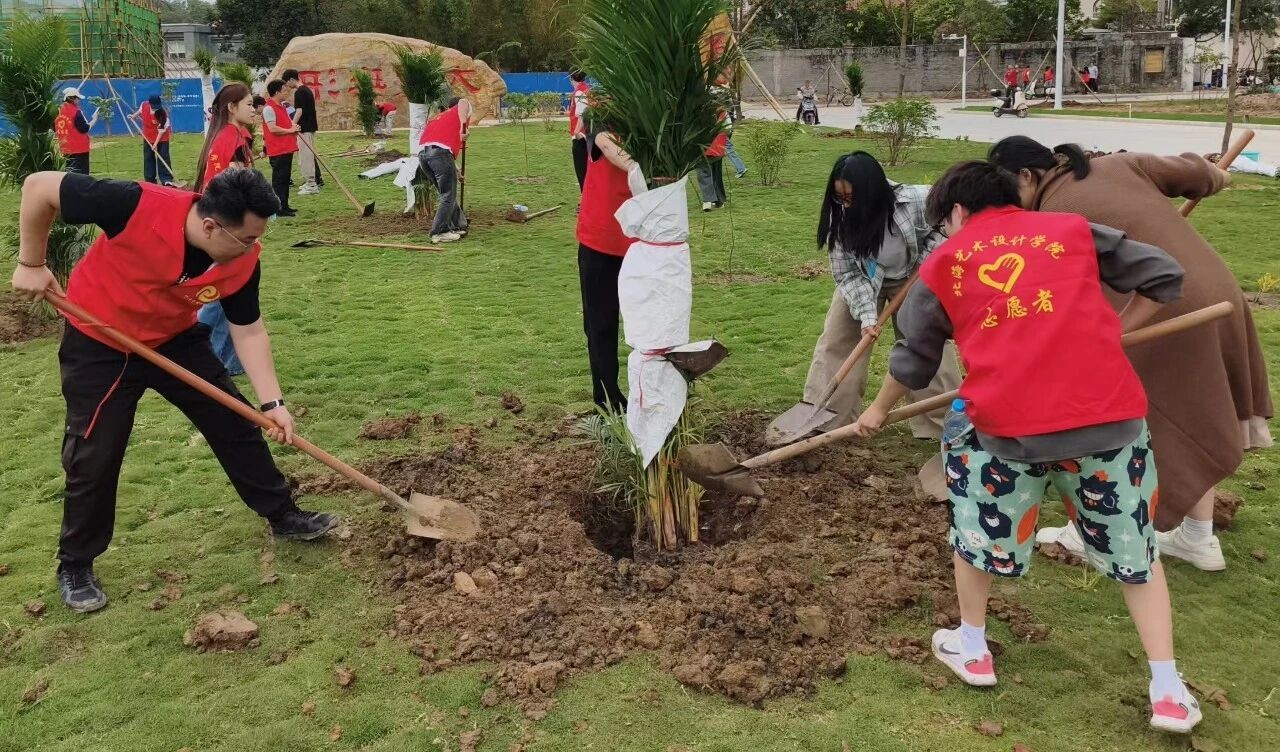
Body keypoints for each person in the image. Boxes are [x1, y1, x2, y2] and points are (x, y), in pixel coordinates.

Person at [852, 160, 1201, 735]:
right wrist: (1117, 330)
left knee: (974, 531)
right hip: (1108, 426)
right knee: (1136, 555)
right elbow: (1163, 275)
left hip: (1005, 433)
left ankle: (972, 648)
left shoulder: (946, 263)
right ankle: (1167, 690)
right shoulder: (1072, 231)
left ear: (957, 211)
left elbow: (915, 358)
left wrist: (877, 409)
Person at [10, 167, 338, 614]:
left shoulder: (242, 260)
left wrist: (273, 403)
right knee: (95, 451)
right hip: (101, 340)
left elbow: (248, 330)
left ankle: (282, 514)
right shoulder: (132, 204)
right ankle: (76, 563)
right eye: (246, 239)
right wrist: (31, 263)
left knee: (235, 421)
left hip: (173, 339)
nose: (252, 247)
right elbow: (39, 187)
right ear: (211, 226)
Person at [987, 136, 1273, 571]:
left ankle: (1090, 532)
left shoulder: (1052, 218)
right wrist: (1217, 177)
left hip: (1164, 307)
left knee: (1120, 418)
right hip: (1215, 294)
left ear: (1026, 175)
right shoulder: (1115, 165)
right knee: (1193, 412)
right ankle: (1197, 538)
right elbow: (1197, 173)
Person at [794, 152, 961, 449]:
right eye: (840, 198)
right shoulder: (839, 216)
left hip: (915, 276)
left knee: (926, 341)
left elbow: (947, 228)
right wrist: (867, 317)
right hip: (863, 280)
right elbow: (847, 273)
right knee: (837, 341)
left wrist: (926, 264)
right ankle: (827, 418)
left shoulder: (917, 200)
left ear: (873, 191)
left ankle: (941, 423)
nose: (846, 205)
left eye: (851, 198)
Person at [193, 83, 259, 376]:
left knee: (234, 289)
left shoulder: (232, 136)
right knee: (221, 293)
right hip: (227, 226)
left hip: (227, 223)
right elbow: (230, 187)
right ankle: (201, 354)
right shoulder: (228, 139)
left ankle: (230, 360)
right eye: (249, 104)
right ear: (232, 108)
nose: (254, 110)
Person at [576, 128, 641, 410]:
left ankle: (650, 398)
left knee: (650, 325)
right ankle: (608, 401)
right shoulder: (601, 125)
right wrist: (638, 166)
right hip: (600, 241)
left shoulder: (658, 125)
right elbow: (604, 142)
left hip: (645, 244)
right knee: (600, 326)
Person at [417, 96, 472, 243]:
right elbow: (464, 101)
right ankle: (439, 232)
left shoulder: (440, 117)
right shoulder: (460, 110)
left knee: (446, 194)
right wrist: (463, 127)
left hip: (424, 155)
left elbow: (439, 145)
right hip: (439, 154)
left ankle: (459, 225)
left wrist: (457, 171)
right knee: (448, 195)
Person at [262, 79, 301, 218]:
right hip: (278, 150)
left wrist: (293, 128)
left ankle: (284, 205)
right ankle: (278, 208)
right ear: (276, 92)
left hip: (286, 148)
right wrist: (290, 130)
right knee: (279, 181)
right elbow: (272, 128)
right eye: (284, 90)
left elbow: (286, 124)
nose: (286, 92)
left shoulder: (282, 107)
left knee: (285, 180)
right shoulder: (269, 109)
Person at [284, 69, 321, 196]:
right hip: (308, 127)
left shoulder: (299, 92)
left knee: (306, 157)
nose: (287, 85)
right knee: (305, 156)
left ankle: (311, 185)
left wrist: (292, 125)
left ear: (291, 79)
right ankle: (309, 182)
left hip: (305, 128)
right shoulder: (306, 90)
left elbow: (299, 111)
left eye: (286, 82)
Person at [129, 94, 173, 186]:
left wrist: (155, 144)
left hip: (162, 138)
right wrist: (133, 116)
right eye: (154, 107)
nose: (155, 109)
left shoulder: (163, 114)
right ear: (150, 104)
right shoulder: (144, 105)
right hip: (148, 136)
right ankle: (150, 179)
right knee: (148, 157)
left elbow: (161, 132)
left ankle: (166, 179)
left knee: (163, 157)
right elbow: (140, 111)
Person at [54, 88, 98, 175]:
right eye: (77, 98)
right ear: (72, 98)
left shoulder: (58, 111)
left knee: (69, 174)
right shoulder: (76, 111)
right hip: (79, 149)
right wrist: (94, 119)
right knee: (81, 175)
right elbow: (84, 128)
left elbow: (54, 128)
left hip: (64, 148)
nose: (79, 100)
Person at [697, 116, 728, 212]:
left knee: (703, 173)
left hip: (704, 147)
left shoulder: (700, 112)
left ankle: (708, 200)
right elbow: (728, 129)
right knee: (716, 174)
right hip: (718, 147)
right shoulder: (722, 112)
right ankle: (719, 200)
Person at [569, 69, 591, 196]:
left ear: (572, 79)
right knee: (586, 170)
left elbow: (582, 114)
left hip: (581, 137)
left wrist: (577, 132)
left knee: (582, 171)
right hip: (587, 135)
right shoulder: (587, 89)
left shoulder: (579, 92)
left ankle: (585, 199)